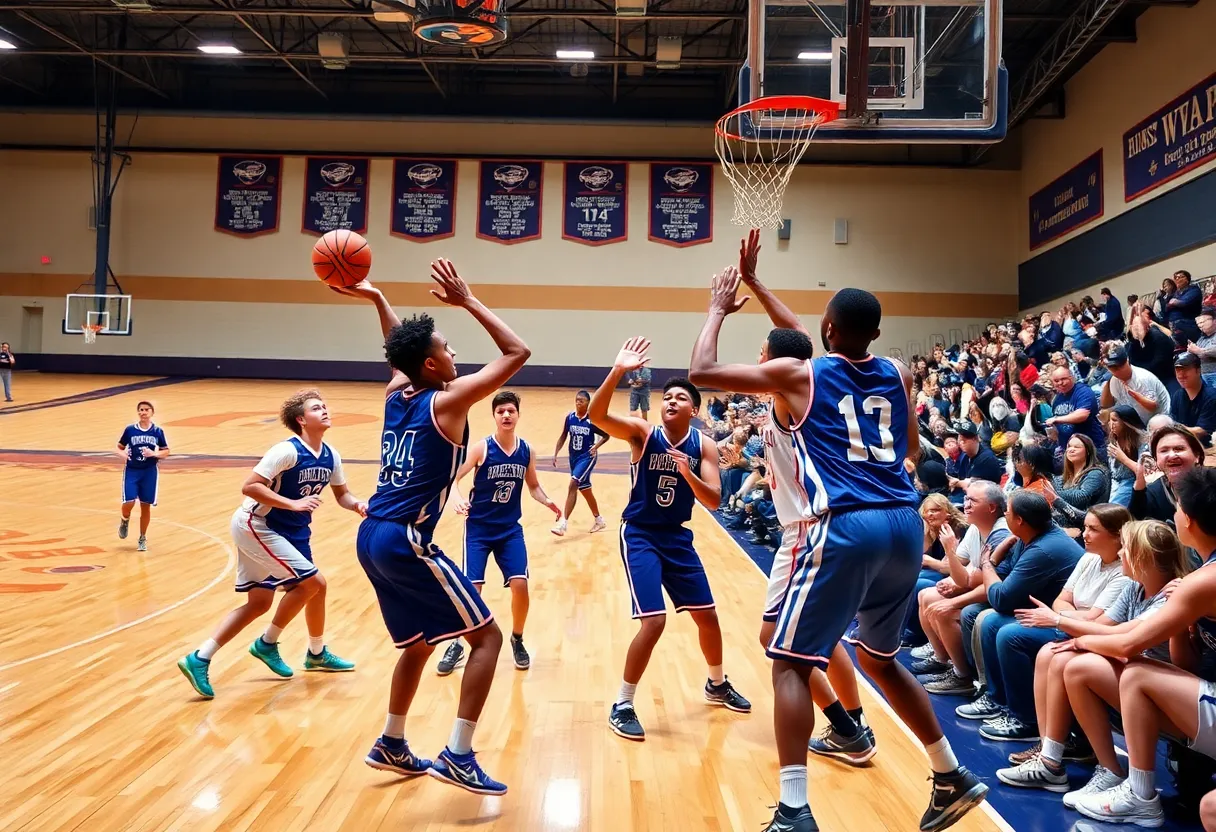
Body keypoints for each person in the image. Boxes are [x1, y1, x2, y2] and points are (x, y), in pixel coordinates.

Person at [690, 272, 987, 832]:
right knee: (879, 657)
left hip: (844, 523)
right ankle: (949, 773)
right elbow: (912, 447)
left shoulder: (801, 372)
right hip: (903, 520)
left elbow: (702, 371)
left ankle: (794, 810)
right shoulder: (898, 373)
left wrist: (717, 309)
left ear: (827, 329)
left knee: (790, 664)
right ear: (874, 333)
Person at [346, 261, 529, 795]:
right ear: (431, 364)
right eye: (447, 349)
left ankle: (392, 741)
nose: (455, 354)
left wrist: (380, 299)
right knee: (489, 637)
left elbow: (398, 349)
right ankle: (459, 754)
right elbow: (518, 353)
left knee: (419, 644)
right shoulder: (448, 401)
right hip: (404, 538)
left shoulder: (396, 392)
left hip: (371, 535)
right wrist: (469, 300)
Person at [733, 229, 875, 765]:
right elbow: (800, 339)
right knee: (821, 633)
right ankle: (854, 719)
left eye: (764, 353)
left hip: (807, 531)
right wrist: (757, 282)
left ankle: (846, 727)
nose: (761, 355)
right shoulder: (799, 387)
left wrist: (728, 302)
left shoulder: (793, 394)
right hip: (818, 525)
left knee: (778, 636)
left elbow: (796, 344)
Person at [589, 338, 750, 742]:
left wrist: (688, 474)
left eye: (681, 398)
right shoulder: (644, 434)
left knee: (707, 616)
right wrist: (618, 370)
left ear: (694, 410)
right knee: (654, 621)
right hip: (640, 534)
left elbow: (713, 500)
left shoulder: (704, 445)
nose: (671, 402)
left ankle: (716, 684)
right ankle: (622, 703)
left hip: (677, 537)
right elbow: (596, 415)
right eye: (668, 397)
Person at [176, 390, 363, 699]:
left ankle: (201, 658)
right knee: (312, 583)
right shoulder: (286, 451)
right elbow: (249, 487)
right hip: (257, 524)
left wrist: (357, 505)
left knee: (263, 602)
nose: (325, 410)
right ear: (302, 420)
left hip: (291, 531)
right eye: (317, 408)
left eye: (325, 406)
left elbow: (342, 494)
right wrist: (292, 503)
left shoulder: (331, 455)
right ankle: (267, 643)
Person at [1060, 467, 1216, 825]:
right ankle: (1130, 784)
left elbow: (1128, 644)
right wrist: (1184, 624)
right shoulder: (1198, 580)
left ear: (1188, 521)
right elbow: (1186, 665)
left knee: (1136, 674)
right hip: (1206, 691)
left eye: (1176, 508)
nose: (1173, 515)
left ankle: (1140, 794)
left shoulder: (1201, 581)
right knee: (1133, 673)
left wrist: (1072, 635)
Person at [995, 516, 1184, 806]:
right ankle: (1050, 760)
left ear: (1143, 557)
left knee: (1076, 665)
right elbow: (1108, 626)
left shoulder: (1168, 597)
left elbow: (1125, 636)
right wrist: (1075, 635)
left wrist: (1064, 625)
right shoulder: (1134, 587)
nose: (1121, 552)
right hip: (1135, 670)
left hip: (1159, 690)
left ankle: (1112, 770)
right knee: (1054, 654)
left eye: (1126, 548)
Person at [437, 391, 562, 676]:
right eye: (500, 411)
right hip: (479, 529)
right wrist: (455, 496)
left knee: (520, 584)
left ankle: (517, 638)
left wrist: (547, 501)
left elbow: (533, 486)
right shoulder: (482, 448)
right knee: (473, 589)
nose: (506, 415)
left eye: (511, 411)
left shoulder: (526, 451)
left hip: (509, 531)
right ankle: (457, 642)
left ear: (518, 415)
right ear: (494, 416)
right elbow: (453, 478)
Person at [550, 390, 609, 536]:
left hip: (587, 457)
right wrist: (556, 453)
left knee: (573, 483)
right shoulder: (570, 417)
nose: (578, 403)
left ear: (588, 403)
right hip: (574, 457)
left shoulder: (592, 420)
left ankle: (563, 523)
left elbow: (606, 435)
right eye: (577, 400)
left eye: (581, 401)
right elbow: (563, 435)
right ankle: (599, 520)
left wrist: (596, 446)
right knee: (585, 489)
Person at [116, 400, 170, 552]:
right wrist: (123, 454)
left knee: (145, 506)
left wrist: (154, 453)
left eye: (146, 409)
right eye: (141, 409)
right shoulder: (130, 430)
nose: (143, 412)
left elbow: (166, 450)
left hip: (149, 472)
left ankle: (142, 538)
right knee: (129, 501)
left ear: (152, 413)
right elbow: (119, 447)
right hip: (132, 470)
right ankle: (125, 519)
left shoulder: (157, 432)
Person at [1129, 424, 1204, 524]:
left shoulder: (1211, 483)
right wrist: (1139, 485)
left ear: (1197, 455)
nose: (1172, 455)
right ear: (1156, 460)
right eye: (1164, 451)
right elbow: (1134, 525)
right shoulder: (1154, 491)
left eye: (1179, 449)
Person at [1046, 366, 1106, 461]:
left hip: (1092, 448)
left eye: (1063, 379)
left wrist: (1057, 419)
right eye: (1056, 381)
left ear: (1072, 377)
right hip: (1069, 449)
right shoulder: (1057, 398)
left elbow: (1082, 414)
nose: (1060, 383)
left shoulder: (1083, 391)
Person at [1100, 346, 1170, 425]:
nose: (1117, 371)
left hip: (1161, 418)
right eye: (1112, 368)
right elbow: (1105, 405)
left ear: (1127, 361)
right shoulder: (1114, 381)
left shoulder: (1142, 378)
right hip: (1138, 421)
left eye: (1120, 366)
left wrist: (1135, 396)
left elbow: (1153, 408)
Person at [1105, 405, 1148, 508]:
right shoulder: (1113, 438)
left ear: (1126, 423)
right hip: (1114, 482)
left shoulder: (1143, 441)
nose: (1110, 424)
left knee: (1114, 513)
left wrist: (1123, 458)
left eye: (1114, 420)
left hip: (1132, 482)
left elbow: (1145, 471)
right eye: (1110, 420)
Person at [1169, 352, 1216, 446]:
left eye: (1186, 370)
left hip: (1206, 447)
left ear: (1198, 371)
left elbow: (1202, 431)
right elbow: (1172, 421)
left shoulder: (1212, 396)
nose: (1181, 375)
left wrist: (1173, 429)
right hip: (1182, 443)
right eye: (1178, 370)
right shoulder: (1177, 395)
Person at [1188, 305, 1216, 385]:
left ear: (1214, 320)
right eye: (1198, 323)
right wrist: (1191, 350)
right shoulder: (1201, 338)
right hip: (1203, 375)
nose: (1200, 325)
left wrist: (1200, 351)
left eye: (1203, 321)